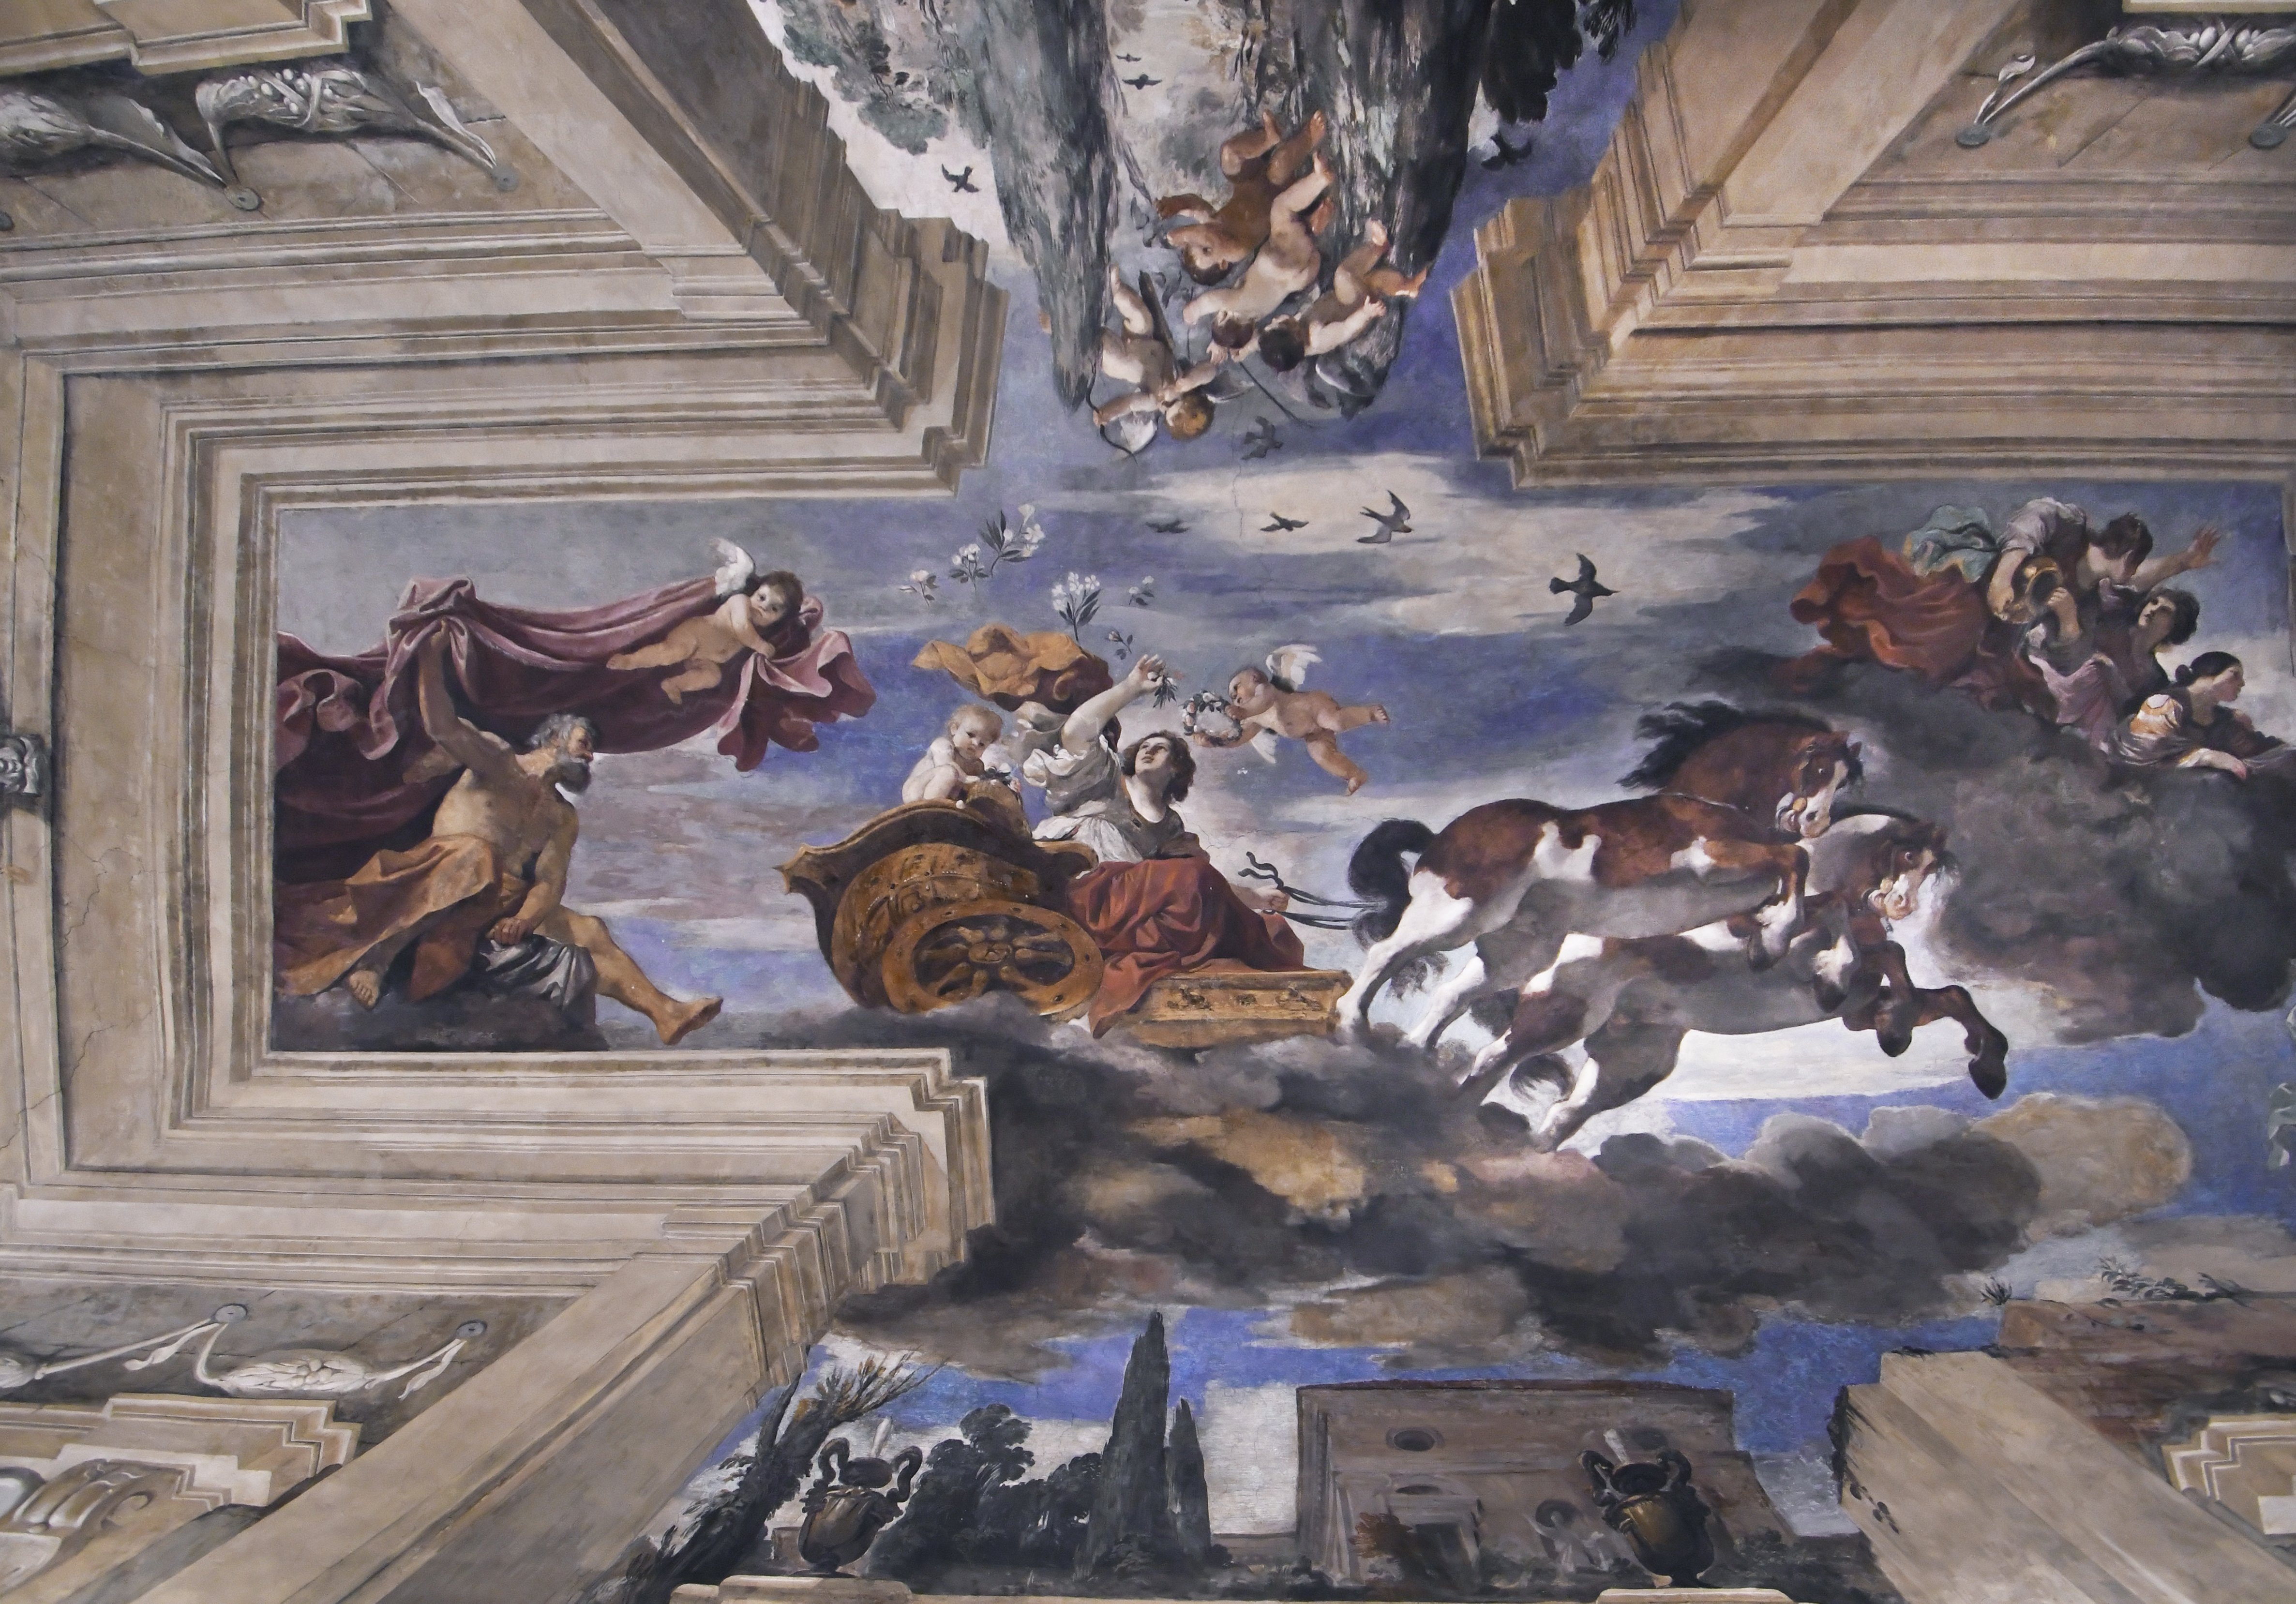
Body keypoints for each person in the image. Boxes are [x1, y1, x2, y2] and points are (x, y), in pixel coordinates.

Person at [274, 633, 722, 1042]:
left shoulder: (560, 816)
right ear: (555, 736)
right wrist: (429, 657)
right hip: (437, 878)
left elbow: (548, 881)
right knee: (476, 855)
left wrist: (524, 919)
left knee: (589, 930)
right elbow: (442, 725)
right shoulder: (498, 761)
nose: (590, 755)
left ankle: (664, 1012)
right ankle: (377, 960)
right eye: (584, 742)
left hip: (493, 901)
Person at [1025, 654, 1306, 1033]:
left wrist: (1252, 897)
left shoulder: (1171, 827)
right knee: (1191, 877)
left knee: (1256, 924)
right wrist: (1131, 687)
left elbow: (1196, 886)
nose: (1148, 750)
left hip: (1132, 914)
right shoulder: (1106, 780)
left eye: (1161, 749)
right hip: (1088, 895)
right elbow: (1076, 733)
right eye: (1145, 746)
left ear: (1176, 769)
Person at [1183, 154, 1335, 351]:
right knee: (1282, 208)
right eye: (1218, 315)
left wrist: (1221, 342)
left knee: (1303, 240)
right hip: (1274, 263)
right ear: (1223, 316)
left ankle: (1314, 225)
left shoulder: (1258, 315)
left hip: (1301, 277)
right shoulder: (1236, 305)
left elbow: (1247, 339)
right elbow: (1212, 301)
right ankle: (1319, 180)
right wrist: (1194, 311)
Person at [1157, 110, 1326, 285]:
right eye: (1207, 250)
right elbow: (1205, 235)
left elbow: (1193, 204)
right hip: (1279, 195)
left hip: (1251, 180)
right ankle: (1309, 137)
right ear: (1223, 263)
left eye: (1196, 242)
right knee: (1279, 167)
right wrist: (1177, 236)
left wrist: (1177, 204)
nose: (1202, 240)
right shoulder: (1237, 251)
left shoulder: (1211, 222)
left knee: (1229, 154)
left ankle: (1267, 139)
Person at [1190, 648, 1389, 795]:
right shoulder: (1253, 718)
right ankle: (1355, 774)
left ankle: (1370, 713)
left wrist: (1243, 711)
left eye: (1237, 688)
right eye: (1233, 698)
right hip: (1310, 733)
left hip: (1315, 708)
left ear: (1255, 678)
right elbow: (1240, 738)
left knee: (1335, 721)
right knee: (1322, 756)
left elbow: (1262, 703)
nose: (1236, 698)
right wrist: (1214, 741)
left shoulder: (1265, 691)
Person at [607, 568, 806, 704]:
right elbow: (741, 628)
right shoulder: (741, 602)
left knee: (713, 677)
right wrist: (761, 646)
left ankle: (674, 684)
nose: (763, 607)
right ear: (754, 593)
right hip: (694, 636)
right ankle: (631, 660)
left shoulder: (761, 630)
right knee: (671, 653)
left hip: (706, 658)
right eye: (762, 598)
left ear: (779, 619)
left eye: (774, 609)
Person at [1252, 219, 1427, 373]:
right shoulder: (1318, 338)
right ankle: (1402, 279)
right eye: (1278, 323)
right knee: (1349, 276)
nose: (1274, 319)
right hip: (1356, 311)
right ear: (1295, 335)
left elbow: (1266, 342)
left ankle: (1381, 251)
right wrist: (1366, 313)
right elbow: (1347, 329)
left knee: (1360, 280)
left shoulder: (1298, 327)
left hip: (1344, 301)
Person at [1093, 269, 1229, 446]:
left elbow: (1128, 404)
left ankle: (1091, 341)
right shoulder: (1183, 377)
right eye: (1177, 399)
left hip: (1123, 358)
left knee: (1123, 364)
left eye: (1169, 407)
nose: (1168, 397)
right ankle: (1116, 290)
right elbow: (1210, 371)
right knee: (1142, 318)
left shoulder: (1152, 401)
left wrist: (1108, 412)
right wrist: (1188, 382)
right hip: (1143, 338)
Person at [2114, 652, 2291, 779]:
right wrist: (2209, 757)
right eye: (2235, 675)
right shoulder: (2164, 704)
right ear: (2208, 673)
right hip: (2162, 789)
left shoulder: (2225, 719)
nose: (2242, 684)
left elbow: (2255, 749)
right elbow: (2146, 751)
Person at [903, 705, 1005, 802]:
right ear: (954, 729)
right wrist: (967, 779)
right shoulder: (943, 745)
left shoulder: (977, 766)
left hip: (945, 797)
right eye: (971, 735)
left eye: (982, 744)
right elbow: (945, 764)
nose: (976, 743)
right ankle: (931, 807)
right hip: (916, 791)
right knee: (949, 772)